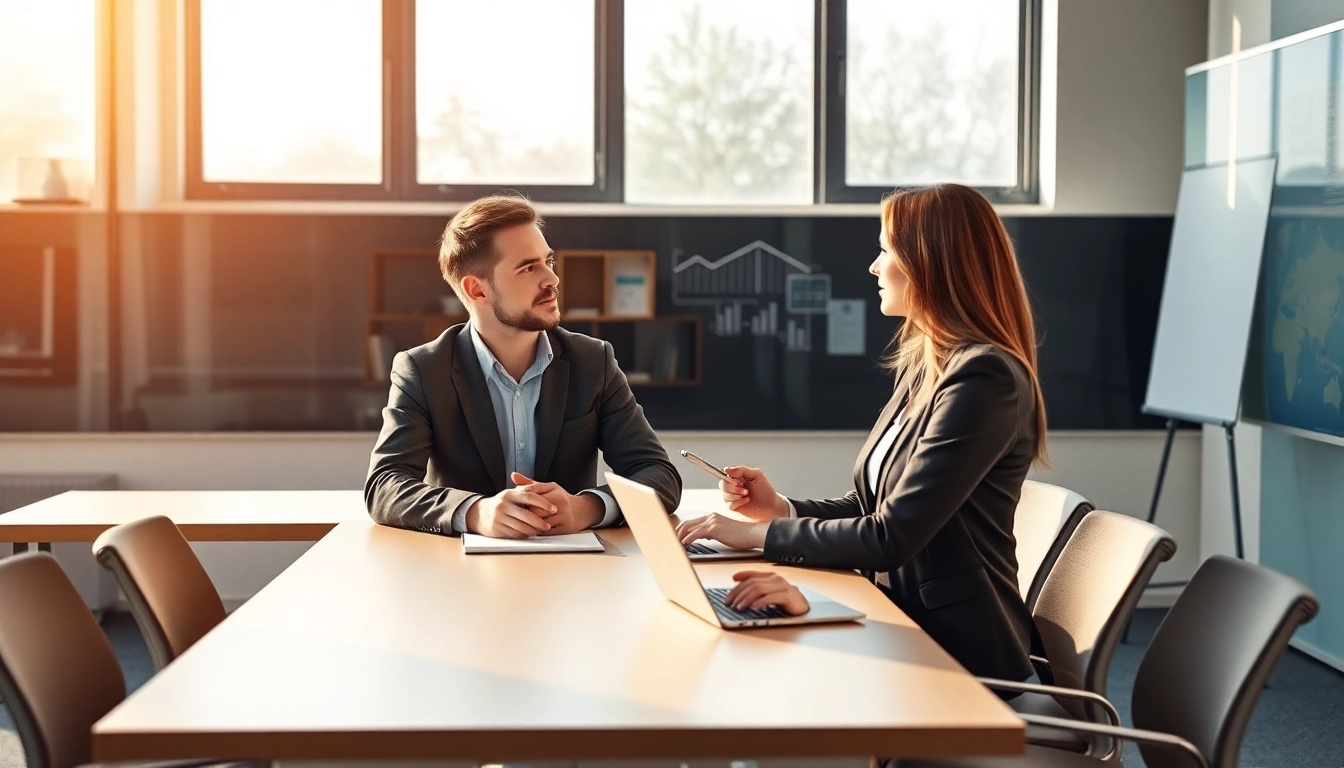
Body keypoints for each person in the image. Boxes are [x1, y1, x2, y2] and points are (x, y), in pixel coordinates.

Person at [677, 184, 1047, 683]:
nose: (874, 267)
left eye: (885, 250)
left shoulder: (984, 377)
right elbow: (874, 504)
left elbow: (890, 537)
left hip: (955, 649)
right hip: (896, 612)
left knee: (761, 673)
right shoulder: (928, 366)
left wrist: (756, 536)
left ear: (930, 262)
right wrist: (781, 510)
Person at [365, 194, 681, 538]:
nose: (552, 280)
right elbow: (384, 486)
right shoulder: (424, 370)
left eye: (549, 262)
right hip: (461, 574)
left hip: (574, 572)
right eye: (529, 268)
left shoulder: (593, 361)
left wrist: (585, 508)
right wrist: (474, 512)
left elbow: (658, 475)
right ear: (477, 290)